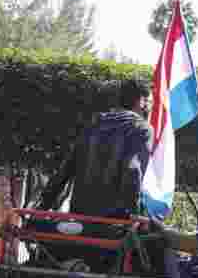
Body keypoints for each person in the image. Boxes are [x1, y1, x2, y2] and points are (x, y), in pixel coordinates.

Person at [38, 78, 154, 219]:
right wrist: (134, 213)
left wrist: (43, 205)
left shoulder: (94, 123)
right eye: (149, 102)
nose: (150, 108)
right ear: (140, 101)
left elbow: (66, 168)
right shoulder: (141, 128)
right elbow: (132, 170)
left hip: (79, 216)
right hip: (114, 223)